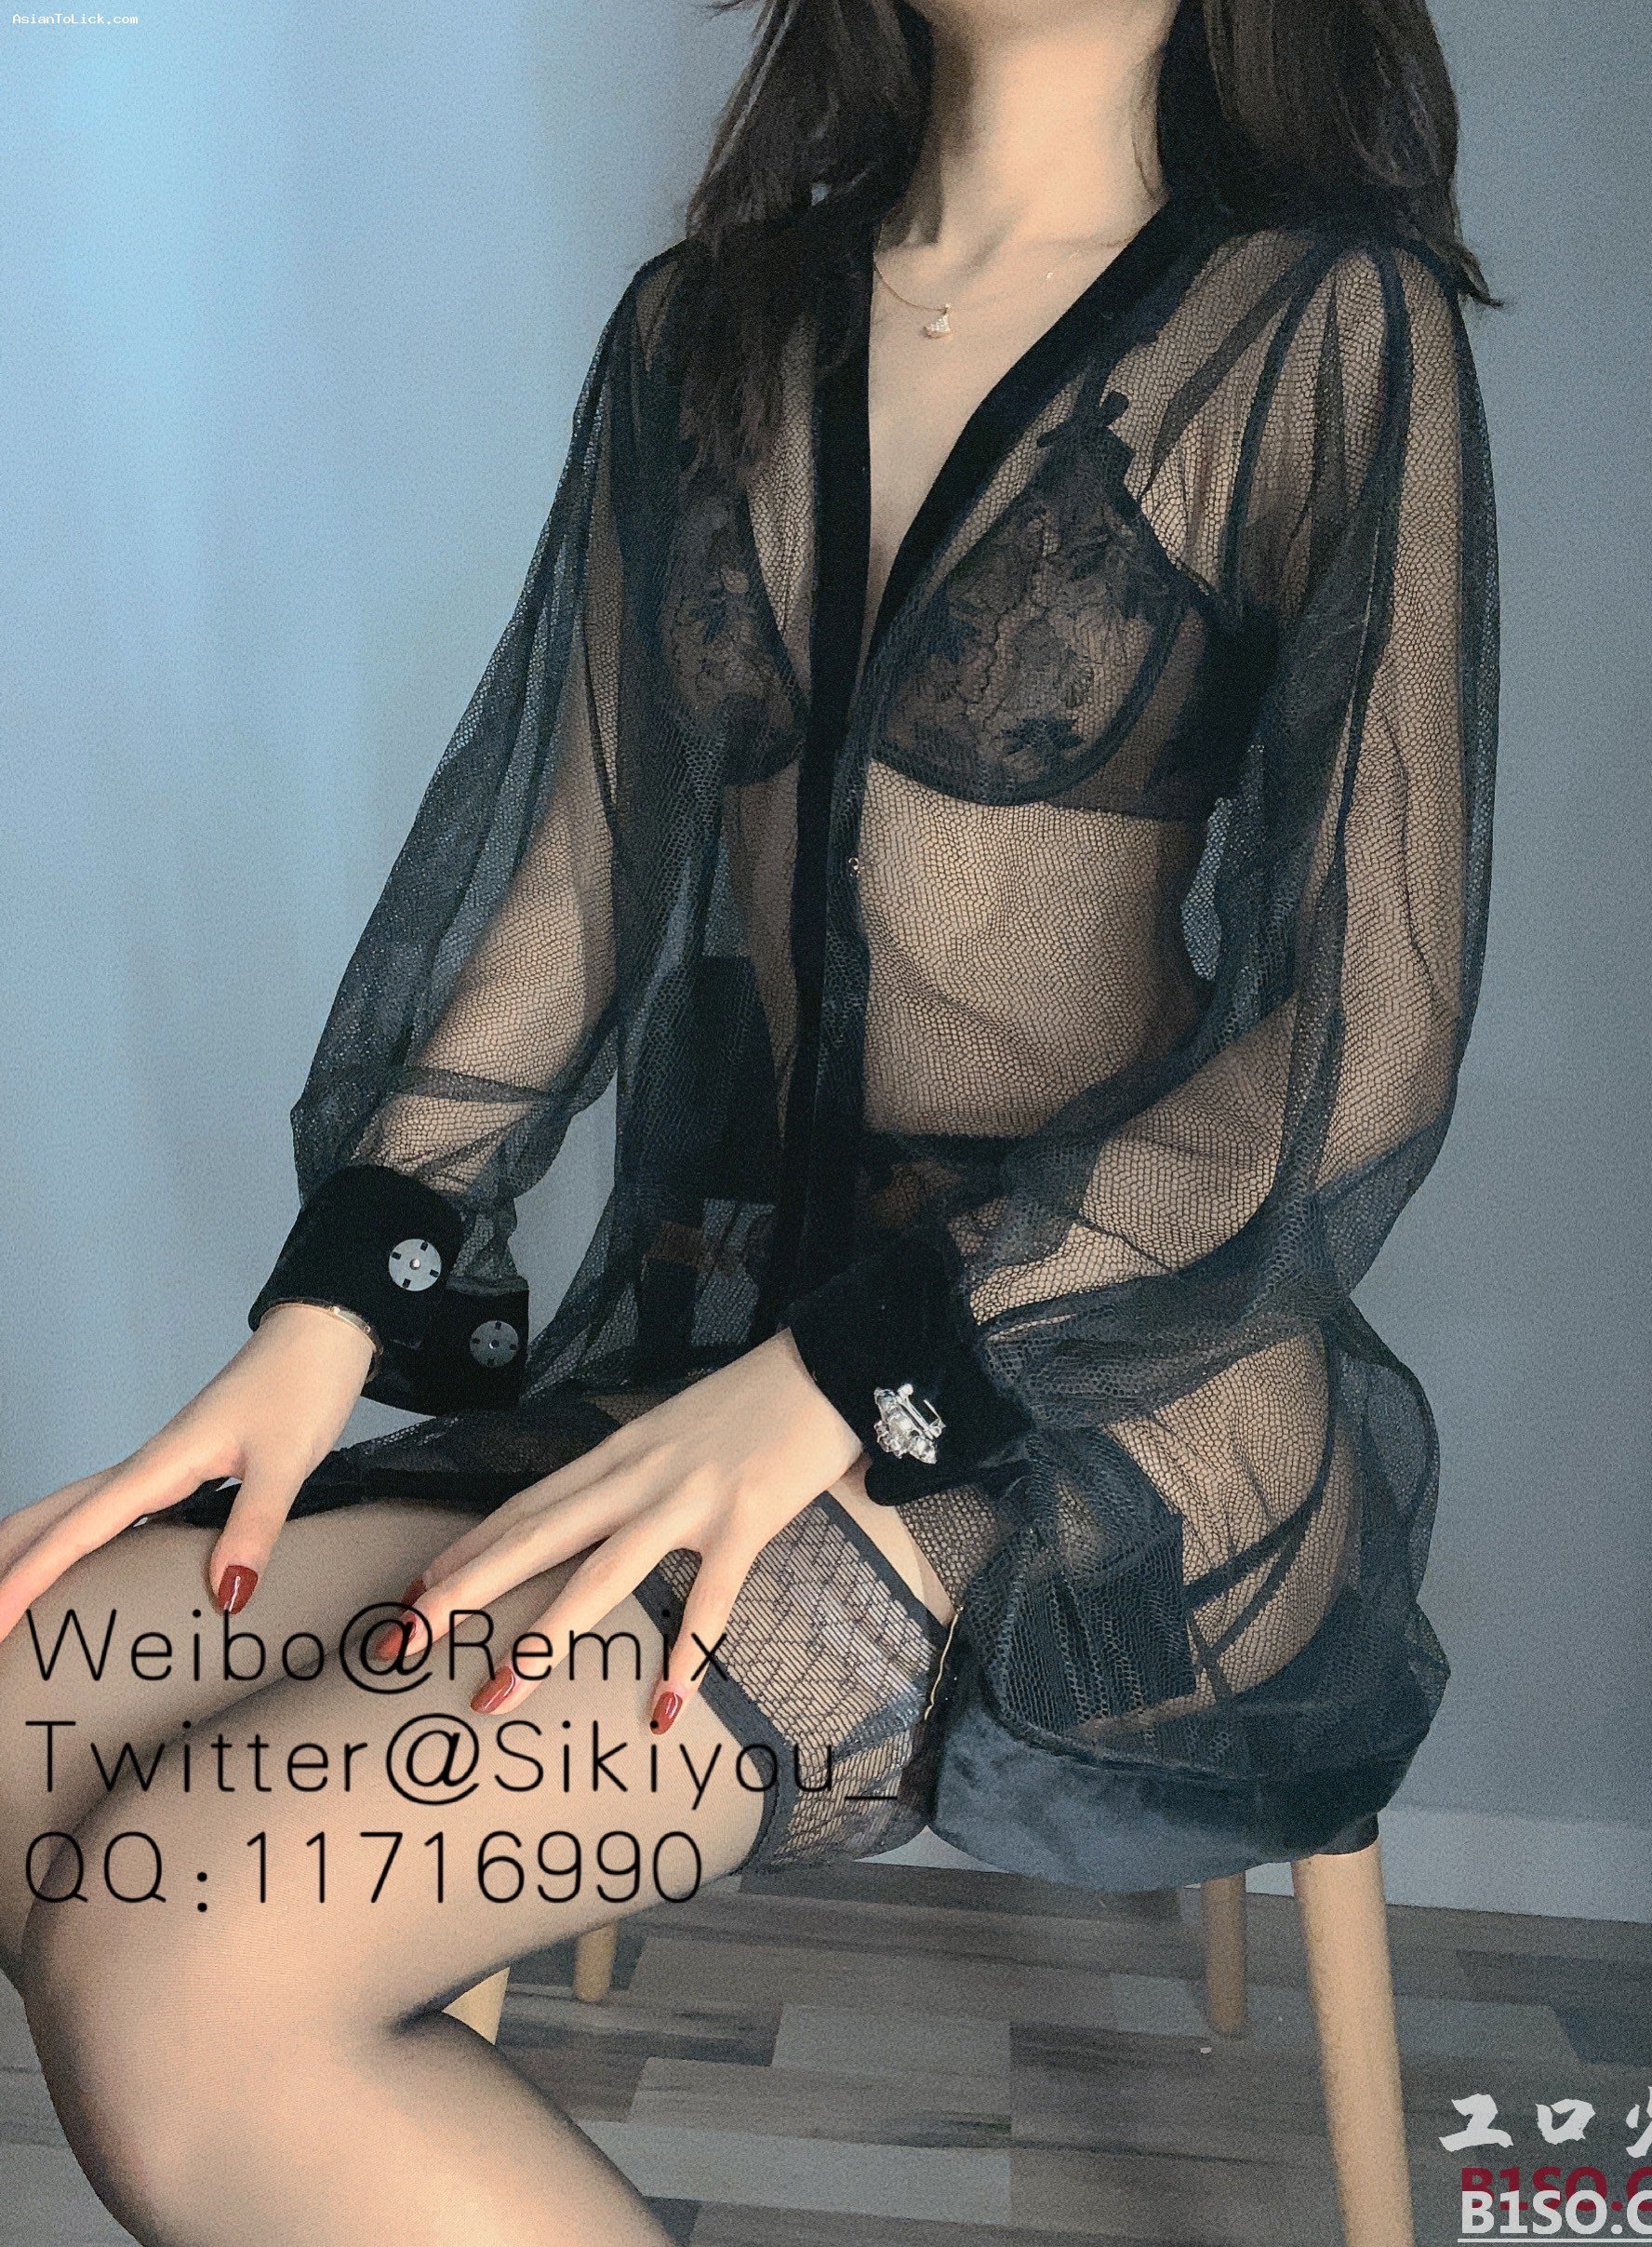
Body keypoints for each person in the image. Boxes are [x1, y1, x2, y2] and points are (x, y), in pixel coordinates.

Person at [0, 0, 1500, 2239]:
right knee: (22, 1714)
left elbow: (1356, 1046)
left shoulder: (1313, 327)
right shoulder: (705, 329)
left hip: (1089, 1401)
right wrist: (333, 1306)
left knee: (179, 1970)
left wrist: (855, 1375)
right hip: (718, 1358)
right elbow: (571, 883)